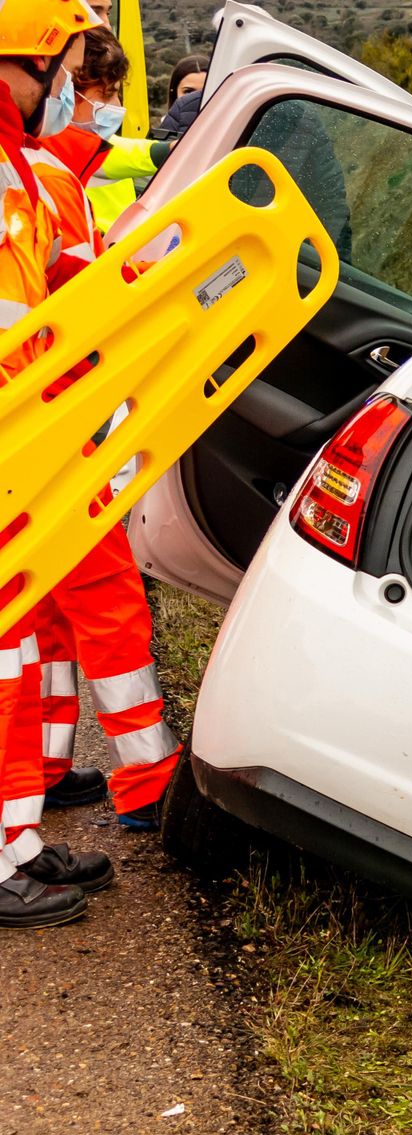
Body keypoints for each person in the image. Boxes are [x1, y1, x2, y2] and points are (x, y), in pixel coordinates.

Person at [0, 0, 120, 929]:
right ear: (31, 64)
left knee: (23, 657)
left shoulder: (19, 172)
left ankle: (18, 839)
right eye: (72, 68)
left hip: (25, 452)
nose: (76, 92)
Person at [43, 25, 172, 231]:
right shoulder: (46, 163)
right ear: (67, 90)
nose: (117, 107)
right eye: (107, 94)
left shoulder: (84, 150)